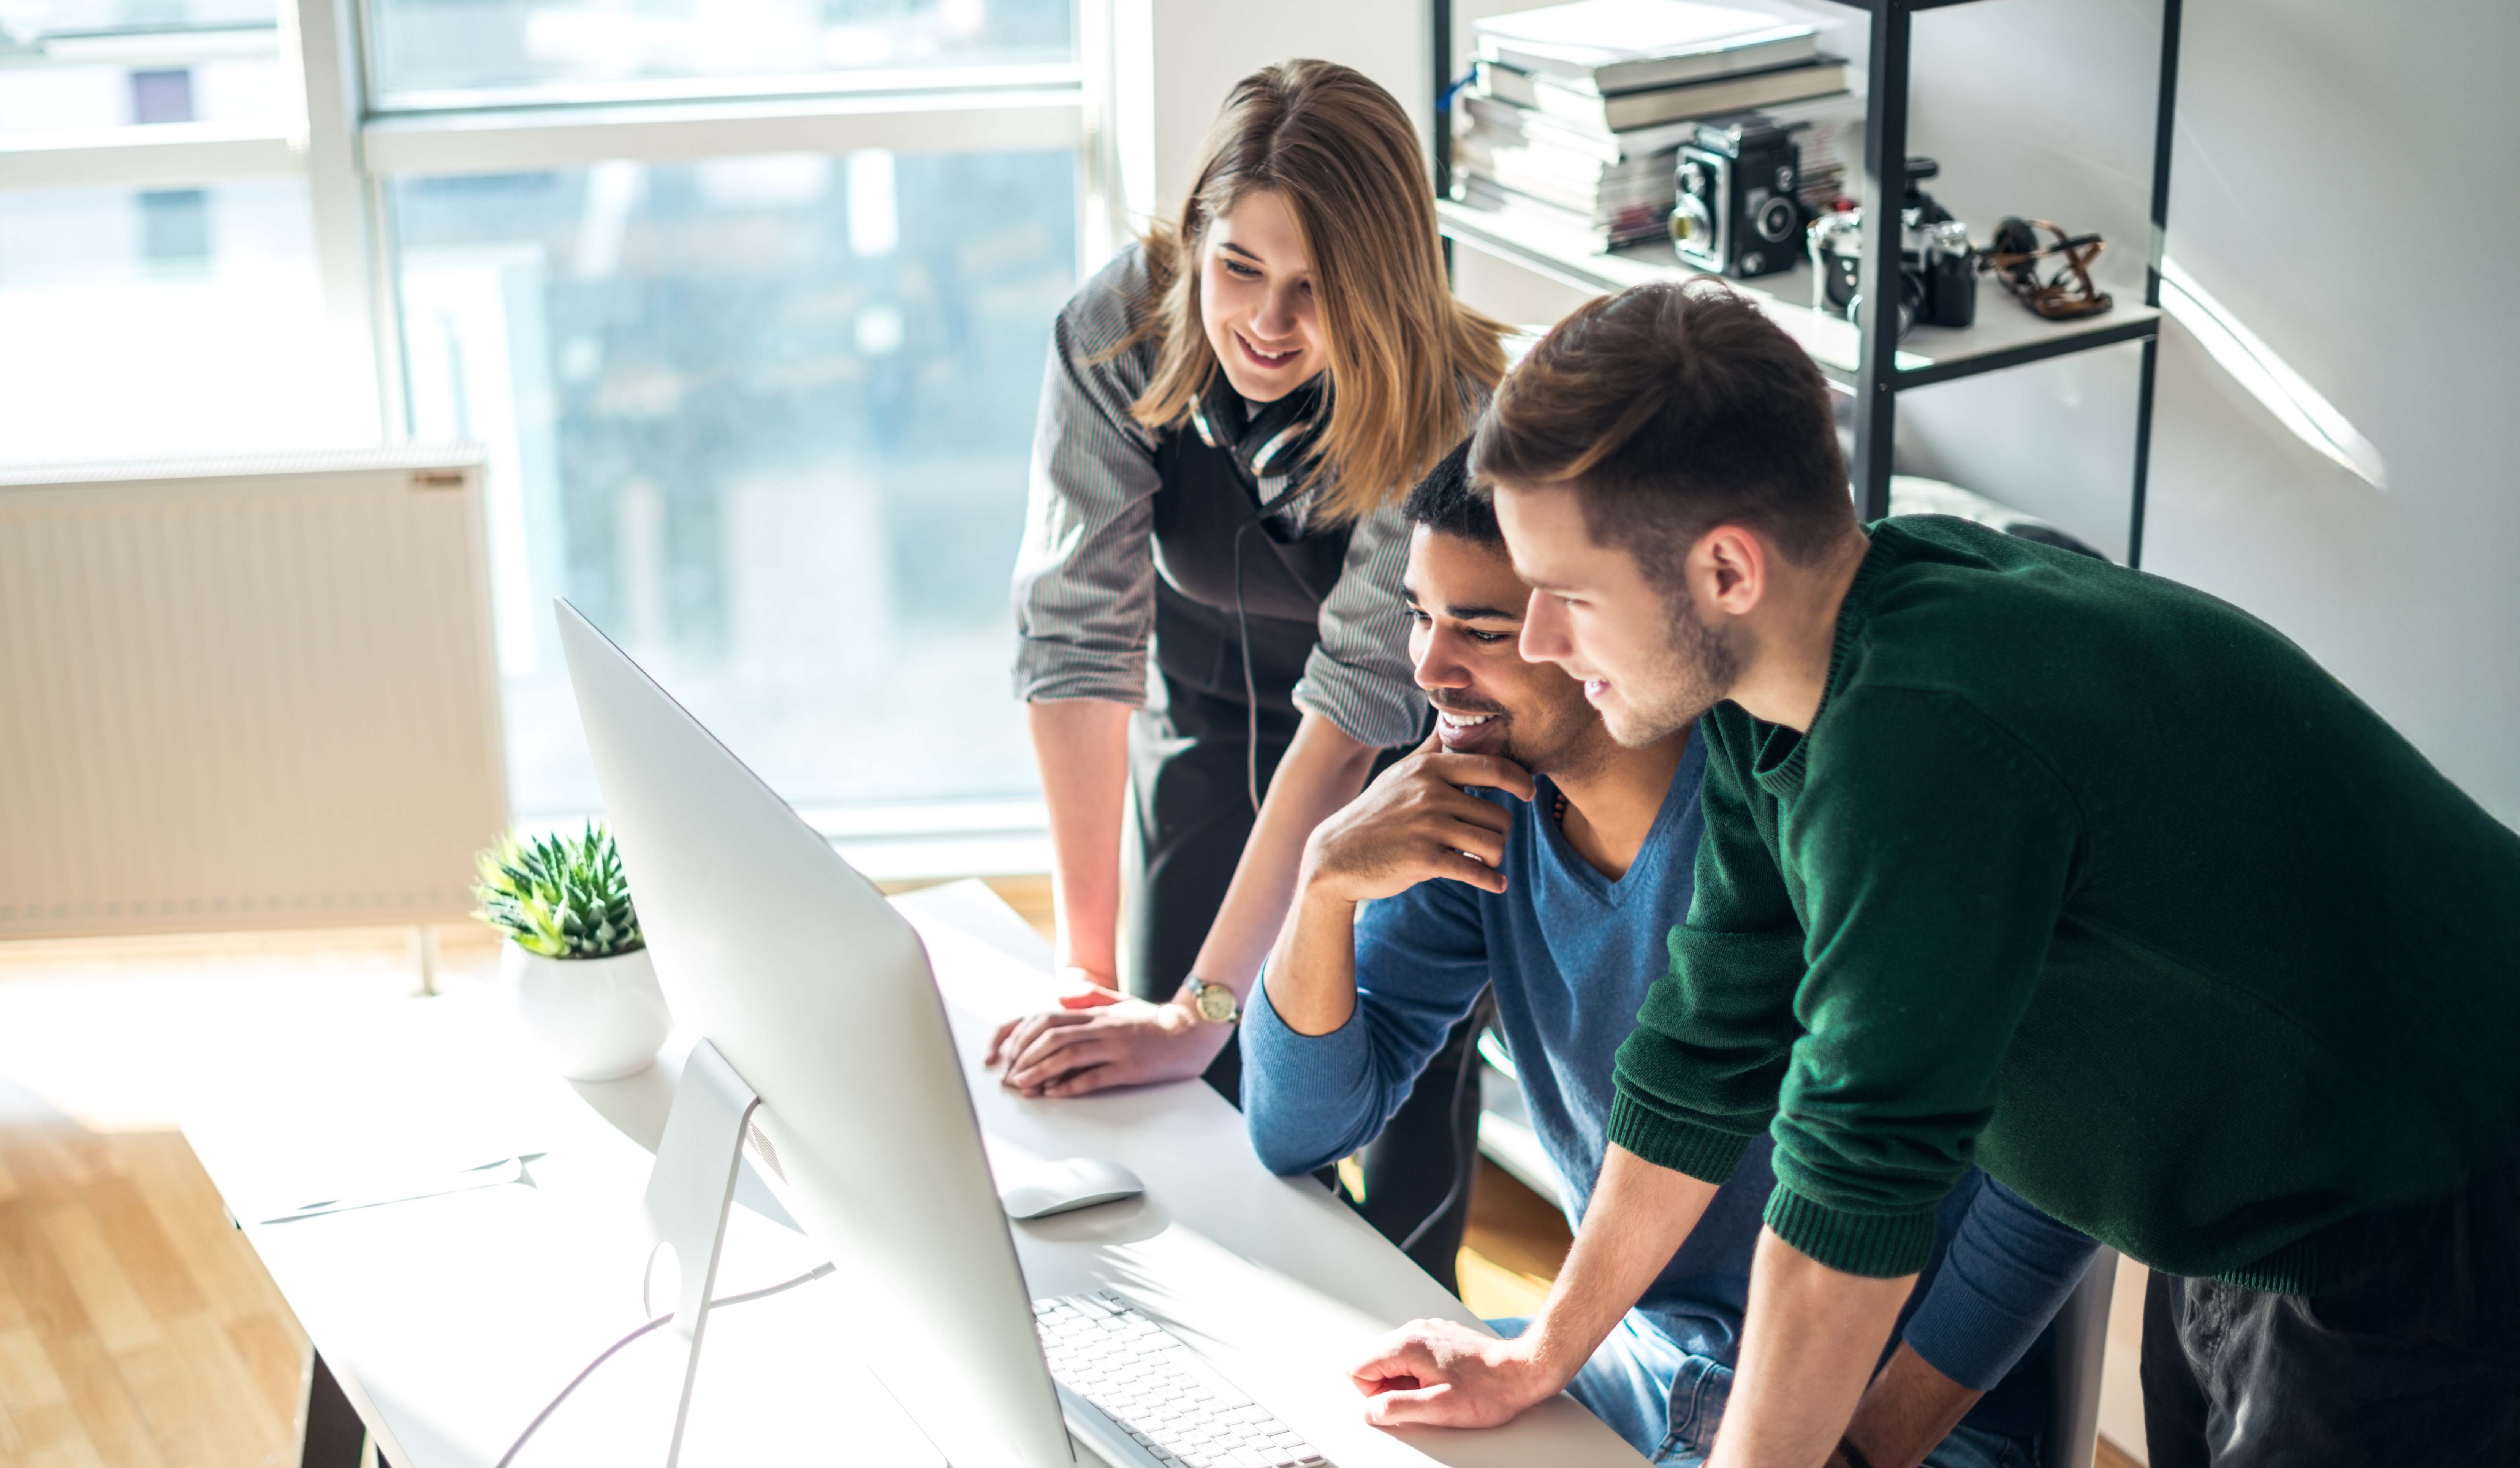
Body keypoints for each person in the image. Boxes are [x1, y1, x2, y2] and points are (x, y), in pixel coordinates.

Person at [1343, 281, 2520, 1467]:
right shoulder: (1789, 683)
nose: (1536, 642)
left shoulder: (1923, 744)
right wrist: (1540, 1355)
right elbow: (1705, 1057)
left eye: (1571, 598)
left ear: (1727, 573)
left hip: (2435, 1209)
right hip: (2246, 1197)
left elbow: (1849, 1200)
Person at [1245, 442, 2098, 1467]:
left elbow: (2063, 1170)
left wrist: (1869, 1449)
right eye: (1419, 613)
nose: (1426, 669)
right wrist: (1326, 882)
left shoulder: (1817, 813)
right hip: (1634, 1366)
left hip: (1855, 1420)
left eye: (1482, 627)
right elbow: (1299, 1128)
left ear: (1604, 624)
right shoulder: (1479, 807)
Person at [991, 60, 1509, 1282]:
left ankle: (1400, 1324)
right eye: (1239, 269)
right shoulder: (1117, 333)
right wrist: (1091, 974)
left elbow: (1351, 716)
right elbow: (1078, 640)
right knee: (1174, 1065)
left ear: (1381, 288)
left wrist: (1203, 1012)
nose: (1267, 325)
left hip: (1402, 754)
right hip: (1212, 707)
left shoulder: (1452, 408)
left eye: (1315, 290)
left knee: (1373, 1074)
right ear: (1195, 241)